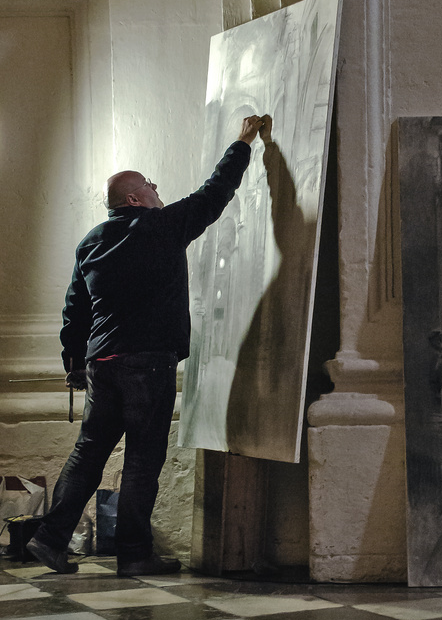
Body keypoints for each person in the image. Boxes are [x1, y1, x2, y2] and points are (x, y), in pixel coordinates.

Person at [27, 115, 266, 576]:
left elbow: (74, 310)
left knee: (88, 453)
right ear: (135, 199)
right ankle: (134, 555)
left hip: (102, 364)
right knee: (141, 458)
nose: (158, 190)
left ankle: (49, 539)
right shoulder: (162, 226)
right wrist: (241, 142)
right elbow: (214, 193)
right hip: (147, 364)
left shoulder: (90, 242)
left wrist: (74, 364)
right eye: (151, 185)